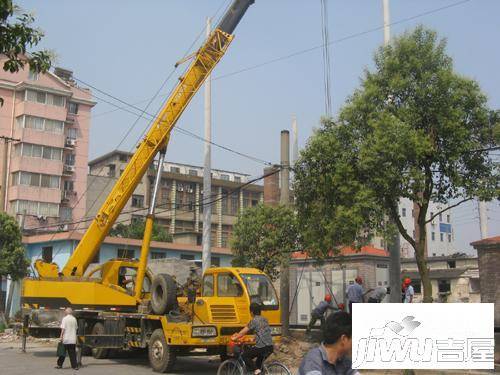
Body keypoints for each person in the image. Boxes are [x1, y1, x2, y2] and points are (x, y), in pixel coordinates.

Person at [232, 302, 273, 375]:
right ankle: (259, 371)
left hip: (262, 347)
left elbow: (243, 332)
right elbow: (262, 332)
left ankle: (257, 371)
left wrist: (235, 337)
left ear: (251, 312)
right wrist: (253, 339)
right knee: (258, 364)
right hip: (270, 347)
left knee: (245, 356)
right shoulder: (265, 319)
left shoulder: (254, 320)